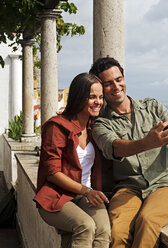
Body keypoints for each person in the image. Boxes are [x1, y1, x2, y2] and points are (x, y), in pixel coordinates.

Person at [89, 57, 168, 248]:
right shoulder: (101, 123)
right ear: (100, 88)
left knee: (148, 221)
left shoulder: (152, 107)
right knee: (117, 233)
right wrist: (147, 142)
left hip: (164, 183)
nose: (116, 86)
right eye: (108, 83)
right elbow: (114, 147)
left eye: (118, 79)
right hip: (128, 186)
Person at [33, 73, 111, 248]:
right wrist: (86, 191)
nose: (98, 102)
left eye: (100, 97)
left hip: (84, 195)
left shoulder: (94, 128)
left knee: (104, 229)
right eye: (92, 97)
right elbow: (52, 173)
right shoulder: (57, 127)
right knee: (85, 225)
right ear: (78, 97)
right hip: (57, 196)